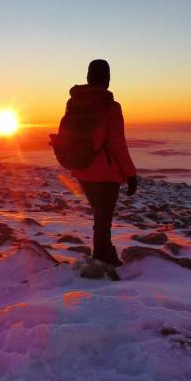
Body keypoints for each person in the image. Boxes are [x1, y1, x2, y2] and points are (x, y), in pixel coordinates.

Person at [62, 59, 137, 266]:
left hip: (82, 168)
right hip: (106, 173)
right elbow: (117, 144)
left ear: (88, 77)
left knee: (100, 217)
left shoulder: (73, 103)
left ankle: (104, 253)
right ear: (106, 78)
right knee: (103, 221)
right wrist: (131, 174)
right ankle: (103, 259)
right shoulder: (111, 107)